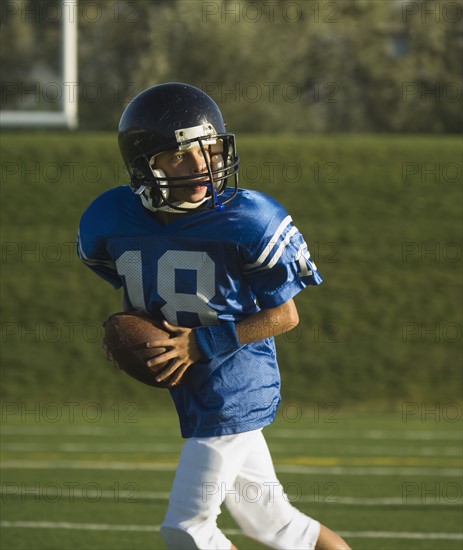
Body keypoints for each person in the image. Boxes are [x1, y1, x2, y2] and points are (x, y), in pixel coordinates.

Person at [77, 82, 351, 550]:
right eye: (181, 155)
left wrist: (200, 344)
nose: (202, 167)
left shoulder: (248, 218)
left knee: (186, 528)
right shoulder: (110, 219)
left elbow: (284, 315)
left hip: (235, 385)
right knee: (278, 526)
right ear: (145, 164)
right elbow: (137, 296)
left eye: (209, 150)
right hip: (195, 390)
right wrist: (122, 329)